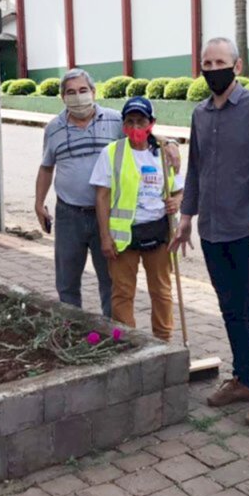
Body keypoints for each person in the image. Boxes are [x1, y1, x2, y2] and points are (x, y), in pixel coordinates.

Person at [171, 37, 249, 427]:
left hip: (248, 230)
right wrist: (187, 216)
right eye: (206, 63)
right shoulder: (200, 113)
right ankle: (245, 379)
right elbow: (197, 169)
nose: (213, 68)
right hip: (213, 231)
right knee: (230, 309)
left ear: (237, 67)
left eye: (220, 61)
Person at [36, 69, 180, 318]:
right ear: (62, 97)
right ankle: (72, 332)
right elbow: (47, 167)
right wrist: (39, 203)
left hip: (108, 216)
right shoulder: (54, 129)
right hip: (69, 214)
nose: (78, 97)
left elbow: (143, 134)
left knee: (112, 284)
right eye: (71, 92)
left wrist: (169, 143)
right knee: (67, 281)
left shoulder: (115, 120)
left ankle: (111, 338)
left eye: (83, 90)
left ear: (93, 92)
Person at [92, 97, 182, 341]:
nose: (135, 127)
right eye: (129, 121)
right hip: (124, 237)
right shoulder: (112, 153)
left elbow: (179, 189)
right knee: (122, 293)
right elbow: (102, 197)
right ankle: (128, 343)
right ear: (123, 125)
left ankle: (163, 341)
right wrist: (104, 236)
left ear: (151, 123)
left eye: (141, 121)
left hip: (159, 233)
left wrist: (177, 200)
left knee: (162, 291)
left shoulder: (165, 154)